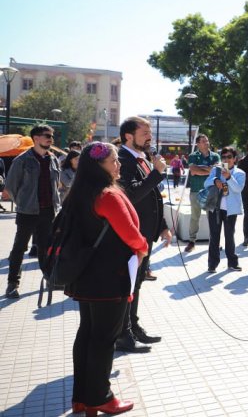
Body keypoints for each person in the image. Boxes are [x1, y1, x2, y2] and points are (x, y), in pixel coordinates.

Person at [65, 142, 146, 417]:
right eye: (113, 160)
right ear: (99, 166)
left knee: (87, 334)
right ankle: (100, 396)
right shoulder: (107, 196)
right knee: (103, 339)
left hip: (86, 275)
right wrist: (143, 247)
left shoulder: (79, 193)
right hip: (111, 277)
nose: (119, 164)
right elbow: (130, 234)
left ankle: (81, 397)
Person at [117, 116, 171, 352]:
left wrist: (162, 226)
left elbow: (152, 197)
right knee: (128, 285)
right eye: (145, 132)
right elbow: (130, 194)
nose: (150, 137)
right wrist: (156, 174)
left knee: (136, 283)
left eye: (150, 132)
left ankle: (133, 326)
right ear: (129, 135)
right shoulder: (121, 159)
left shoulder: (141, 158)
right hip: (129, 236)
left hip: (145, 235)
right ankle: (122, 334)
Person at [4, 125, 61, 298]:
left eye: (51, 136)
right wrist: (23, 203)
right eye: (47, 136)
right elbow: (11, 187)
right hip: (27, 212)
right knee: (20, 247)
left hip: (48, 212)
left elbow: (56, 186)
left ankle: (49, 277)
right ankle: (12, 284)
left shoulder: (53, 160)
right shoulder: (22, 160)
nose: (50, 139)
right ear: (36, 138)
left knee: (46, 247)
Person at [204, 147, 246, 273]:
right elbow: (206, 183)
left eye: (229, 157)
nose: (226, 159)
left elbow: (238, 189)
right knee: (214, 236)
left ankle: (232, 263)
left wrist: (228, 177)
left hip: (230, 210)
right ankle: (212, 264)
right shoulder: (216, 170)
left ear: (234, 159)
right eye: (224, 157)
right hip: (215, 208)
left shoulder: (240, 173)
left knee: (229, 236)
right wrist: (215, 180)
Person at [186, 134, 220, 252]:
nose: (206, 143)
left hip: (211, 191)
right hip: (196, 190)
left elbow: (217, 172)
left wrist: (201, 168)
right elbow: (194, 171)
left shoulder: (215, 156)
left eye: (207, 140)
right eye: (203, 141)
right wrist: (209, 169)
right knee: (195, 217)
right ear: (198, 144)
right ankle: (192, 241)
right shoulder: (193, 156)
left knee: (212, 217)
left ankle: (214, 241)